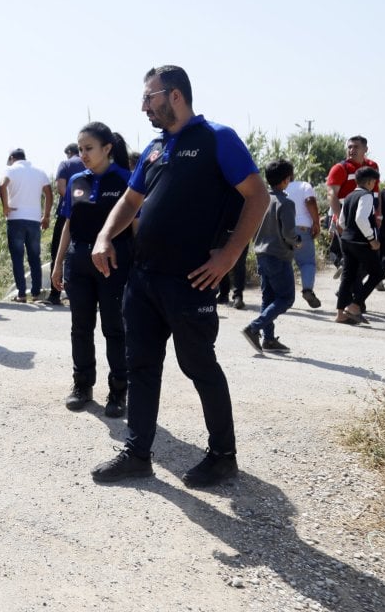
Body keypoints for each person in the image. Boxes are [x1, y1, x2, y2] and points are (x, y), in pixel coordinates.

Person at [88, 65, 268, 487]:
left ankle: (223, 455)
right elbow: (131, 201)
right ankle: (137, 454)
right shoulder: (153, 148)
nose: (143, 105)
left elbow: (257, 195)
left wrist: (228, 257)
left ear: (175, 96)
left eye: (149, 97)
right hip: (144, 277)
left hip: (193, 280)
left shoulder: (216, 138)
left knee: (198, 364)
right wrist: (104, 236)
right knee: (142, 365)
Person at [51, 123, 133, 418]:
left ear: (107, 148)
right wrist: (60, 263)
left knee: (115, 328)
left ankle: (119, 390)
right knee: (80, 328)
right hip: (79, 262)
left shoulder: (126, 180)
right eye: (81, 148)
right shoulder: (76, 181)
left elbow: (136, 227)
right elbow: (69, 225)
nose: (83, 154)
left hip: (114, 263)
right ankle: (82, 386)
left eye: (89, 149)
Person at [239, 159, 299, 353]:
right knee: (286, 298)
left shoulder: (261, 200)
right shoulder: (286, 202)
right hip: (279, 256)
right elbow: (289, 233)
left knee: (269, 297)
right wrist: (297, 240)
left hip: (261, 255)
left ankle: (269, 340)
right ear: (285, 180)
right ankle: (254, 327)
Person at [0, 148, 53, 302]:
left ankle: (21, 294)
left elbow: (2, 185)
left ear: (11, 158)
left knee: (17, 257)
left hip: (15, 218)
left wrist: (5, 207)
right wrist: (46, 215)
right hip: (34, 219)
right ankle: (36, 293)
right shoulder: (39, 172)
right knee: (34, 257)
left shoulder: (10, 170)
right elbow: (49, 193)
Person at [333, 167, 382, 325]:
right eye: (374, 182)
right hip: (361, 242)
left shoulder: (348, 196)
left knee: (348, 276)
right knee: (377, 273)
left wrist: (349, 232)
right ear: (369, 181)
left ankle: (341, 314)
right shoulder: (366, 196)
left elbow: (341, 221)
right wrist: (371, 239)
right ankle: (355, 305)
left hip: (346, 240)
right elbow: (361, 219)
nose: (374, 185)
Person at [325, 136, 380, 275]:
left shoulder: (372, 166)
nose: (351, 150)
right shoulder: (340, 168)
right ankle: (343, 270)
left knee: (363, 253)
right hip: (344, 215)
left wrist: (379, 214)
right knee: (345, 251)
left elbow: (376, 192)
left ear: (365, 149)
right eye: (349, 147)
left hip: (365, 214)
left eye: (356, 147)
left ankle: (348, 280)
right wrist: (338, 218)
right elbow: (332, 194)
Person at [47, 143, 83, 305]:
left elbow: (61, 188)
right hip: (89, 216)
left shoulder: (66, 164)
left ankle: (55, 294)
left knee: (58, 252)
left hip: (67, 214)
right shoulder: (92, 162)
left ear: (69, 153)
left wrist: (74, 202)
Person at [283, 177, 322, 308]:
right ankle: (307, 290)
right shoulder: (304, 185)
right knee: (306, 263)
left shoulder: (277, 188)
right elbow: (310, 201)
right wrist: (316, 222)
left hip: (282, 229)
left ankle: (280, 294)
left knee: (283, 262)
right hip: (301, 229)